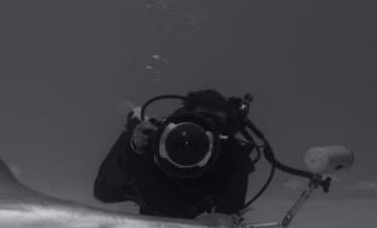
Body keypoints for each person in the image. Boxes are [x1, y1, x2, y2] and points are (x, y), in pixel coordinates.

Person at [93, 89, 257, 220]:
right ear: (184, 117)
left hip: (190, 205)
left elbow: (228, 215)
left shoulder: (232, 155)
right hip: (148, 195)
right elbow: (103, 189)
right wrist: (134, 147)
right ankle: (135, 118)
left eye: (216, 125)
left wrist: (231, 219)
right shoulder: (160, 138)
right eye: (199, 120)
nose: (203, 132)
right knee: (106, 193)